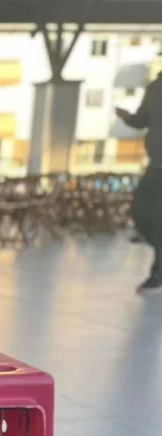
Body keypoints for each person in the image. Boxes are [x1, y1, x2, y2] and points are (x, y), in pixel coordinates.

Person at [116, 72, 161, 292]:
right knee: (141, 210)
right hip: (157, 164)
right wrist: (128, 118)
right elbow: (142, 120)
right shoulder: (155, 87)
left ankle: (157, 274)